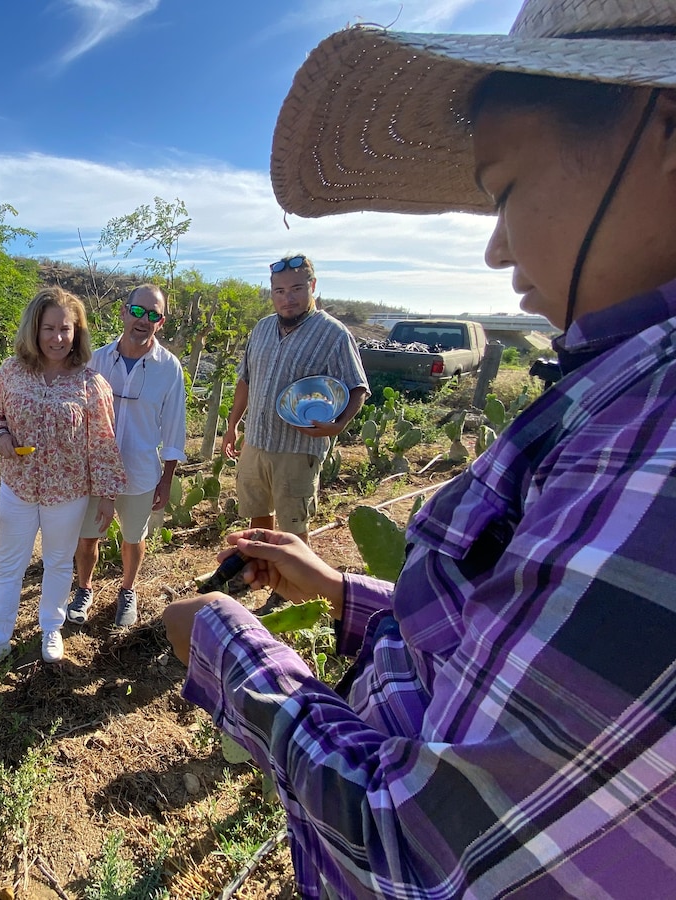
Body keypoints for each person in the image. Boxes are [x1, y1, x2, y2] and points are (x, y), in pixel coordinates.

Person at [164, 0, 676, 896]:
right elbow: (503, 648)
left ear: (662, 126)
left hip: (300, 457)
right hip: (258, 450)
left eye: (506, 185)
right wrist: (345, 594)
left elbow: (427, 846)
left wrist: (222, 644)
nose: (494, 246)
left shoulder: (654, 443)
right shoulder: (622, 391)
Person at [0, 286, 126, 672]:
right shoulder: (12, 371)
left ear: (77, 332)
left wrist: (107, 495)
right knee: (8, 566)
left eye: (65, 329)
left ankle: (51, 627)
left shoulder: (91, 384)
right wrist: (1, 436)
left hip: (67, 493)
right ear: (34, 329)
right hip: (18, 487)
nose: (57, 338)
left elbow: (103, 443)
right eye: (49, 328)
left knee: (56, 562)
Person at [221, 253, 367, 542]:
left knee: (294, 527)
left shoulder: (333, 334)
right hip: (256, 442)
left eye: (297, 289)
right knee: (258, 516)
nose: (288, 298)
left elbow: (357, 387)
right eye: (280, 291)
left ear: (312, 286)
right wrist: (232, 425)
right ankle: (260, 571)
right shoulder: (262, 329)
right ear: (272, 293)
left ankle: (295, 586)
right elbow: (245, 380)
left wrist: (339, 425)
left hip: (297, 449)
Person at [69, 284, 186, 628]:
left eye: (153, 314)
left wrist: (167, 479)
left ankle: (128, 590)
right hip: (95, 471)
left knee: (134, 537)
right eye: (138, 311)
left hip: (141, 472)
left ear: (160, 323)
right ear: (124, 311)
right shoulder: (97, 359)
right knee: (88, 535)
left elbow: (175, 428)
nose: (143, 320)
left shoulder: (169, 368)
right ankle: (83, 589)